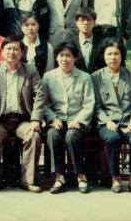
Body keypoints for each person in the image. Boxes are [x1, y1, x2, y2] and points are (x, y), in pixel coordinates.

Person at [0, 35, 44, 193]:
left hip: (22, 119)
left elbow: (39, 96)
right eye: (8, 48)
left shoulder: (30, 70)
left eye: (16, 49)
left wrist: (36, 119)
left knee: (34, 136)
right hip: (0, 120)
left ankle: (28, 180)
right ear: (2, 51)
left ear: (21, 52)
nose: (12, 52)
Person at [92, 39, 131, 194]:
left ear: (122, 56)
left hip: (129, 122)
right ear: (103, 56)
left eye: (116, 53)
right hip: (107, 122)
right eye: (109, 54)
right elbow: (95, 106)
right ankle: (115, 179)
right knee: (112, 138)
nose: (113, 57)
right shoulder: (96, 77)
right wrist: (106, 120)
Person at [42, 41, 95, 194]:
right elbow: (44, 103)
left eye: (68, 56)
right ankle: (59, 178)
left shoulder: (84, 77)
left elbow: (89, 103)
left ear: (75, 58)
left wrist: (78, 120)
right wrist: (53, 119)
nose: (64, 59)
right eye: (61, 55)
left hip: (78, 121)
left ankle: (81, 176)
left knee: (71, 136)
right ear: (56, 57)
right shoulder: (48, 77)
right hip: (58, 120)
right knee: (52, 134)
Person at [73, 7, 103, 73]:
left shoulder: (101, 43)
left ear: (94, 22)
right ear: (76, 23)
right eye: (82, 20)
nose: (85, 23)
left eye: (89, 20)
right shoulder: (70, 43)